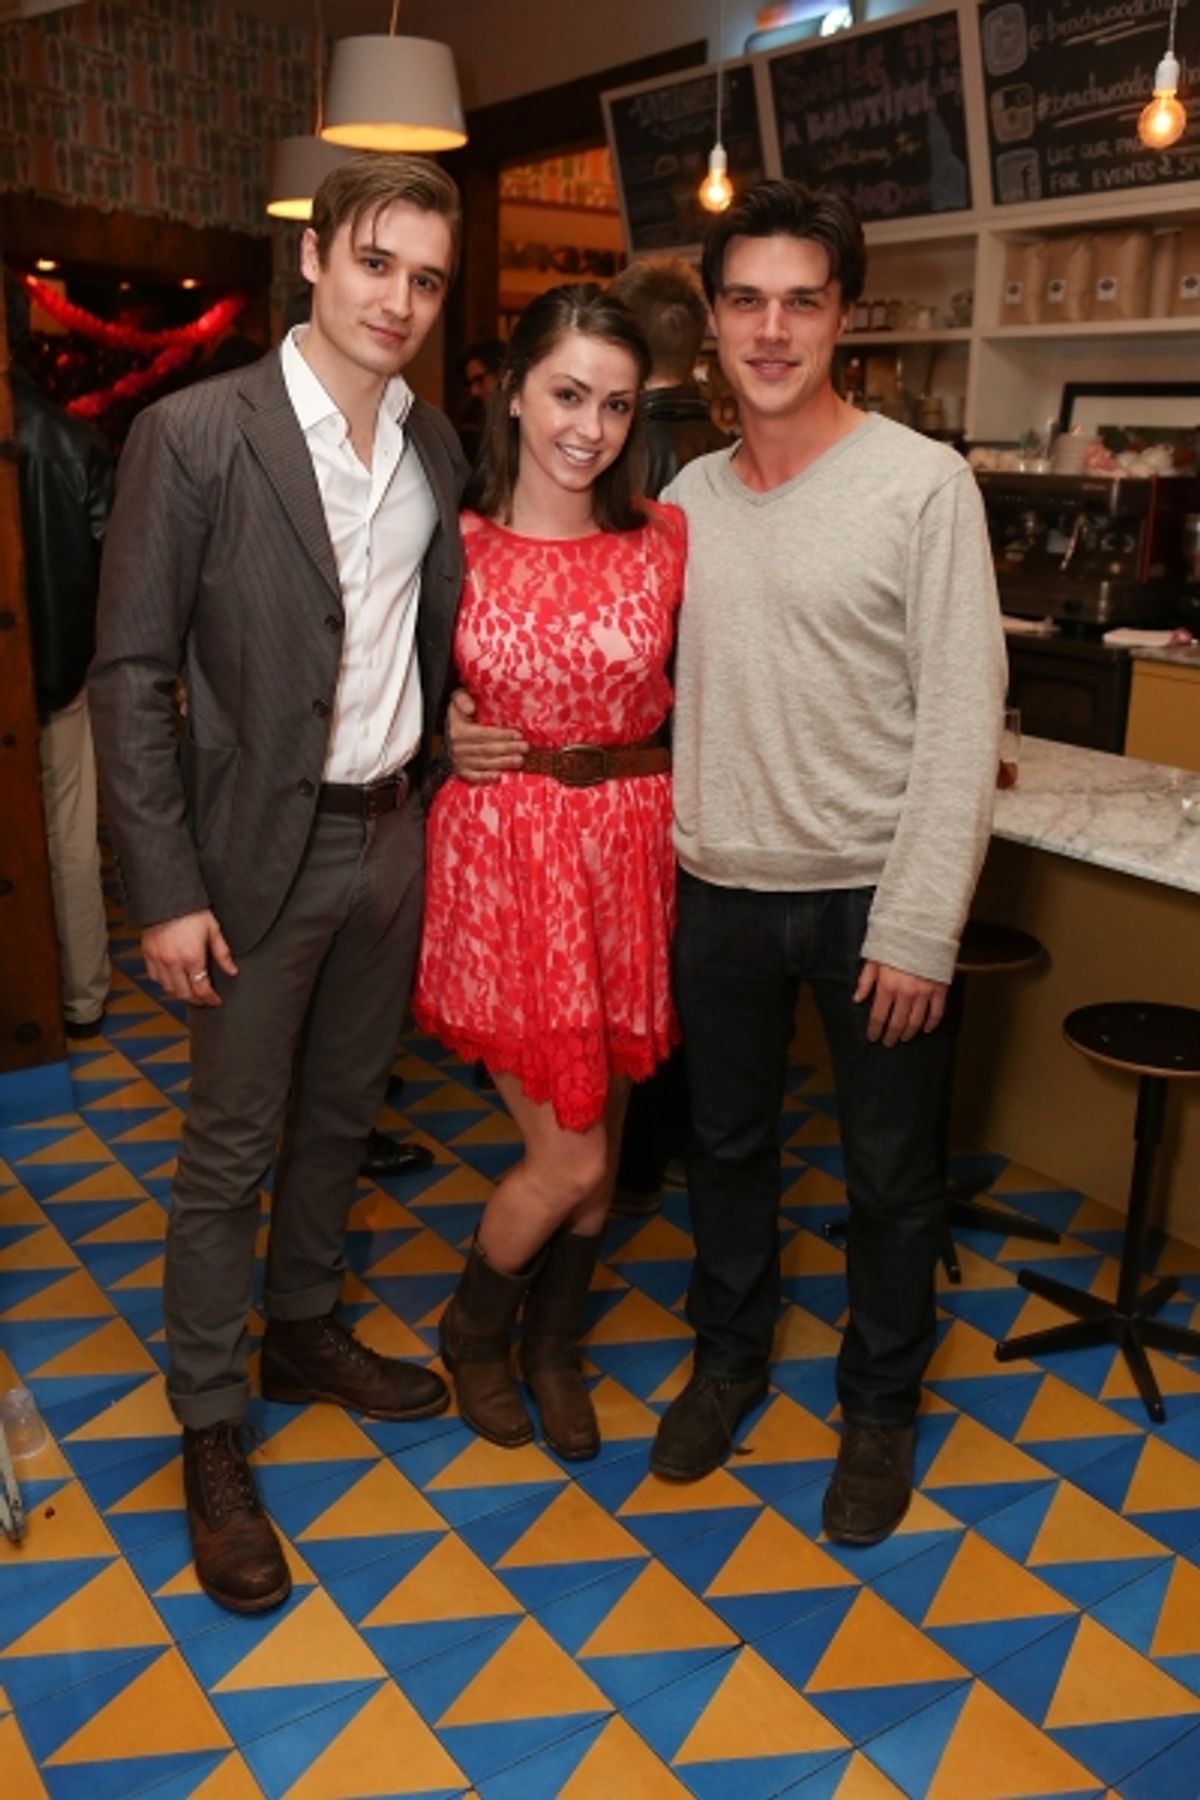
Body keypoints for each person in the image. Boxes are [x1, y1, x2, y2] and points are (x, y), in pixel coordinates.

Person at [449, 181, 1006, 1545]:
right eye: (746, 300)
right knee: (731, 1157)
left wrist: (921, 924)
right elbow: (601, 665)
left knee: (888, 1179)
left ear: (844, 317)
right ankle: (731, 1363)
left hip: (871, 895)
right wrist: (475, 733)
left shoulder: (923, 484)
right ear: (709, 321)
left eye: (801, 301)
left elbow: (961, 712)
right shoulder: (678, 503)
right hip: (712, 890)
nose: (772, 329)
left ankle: (878, 1410)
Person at [89, 154, 468, 1615]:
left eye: (427, 279)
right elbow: (128, 678)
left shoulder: (435, 445)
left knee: (346, 1113)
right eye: (378, 264)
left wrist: (455, 747)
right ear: (314, 260)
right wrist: (164, 887)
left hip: (391, 834)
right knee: (225, 1150)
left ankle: (304, 1323)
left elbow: (417, 634)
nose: (401, 302)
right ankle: (209, 1428)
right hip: (250, 851)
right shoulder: (195, 435)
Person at [413, 284, 685, 1462]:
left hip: (628, 855)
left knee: (605, 1144)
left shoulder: (667, 540)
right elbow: (382, 693)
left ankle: (551, 1345)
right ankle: (475, 1333)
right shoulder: (451, 543)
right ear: (513, 388)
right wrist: (440, 734)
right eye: (569, 393)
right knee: (566, 1149)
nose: (590, 426)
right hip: (507, 858)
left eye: (617, 404)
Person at [604, 255, 728, 1216]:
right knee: (684, 961)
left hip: (631, 753)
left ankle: (632, 1153)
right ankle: (682, 1134)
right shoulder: (731, 457)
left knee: (635, 962)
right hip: (721, 745)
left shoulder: (609, 464)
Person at [8, 271, 113, 1039]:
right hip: (65, 674)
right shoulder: (75, 441)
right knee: (72, 839)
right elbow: (114, 576)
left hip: (27, 674)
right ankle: (81, 999)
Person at [455, 336, 506, 463]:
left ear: (503, 374)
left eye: (479, 380)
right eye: (471, 384)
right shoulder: (476, 433)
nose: (474, 392)